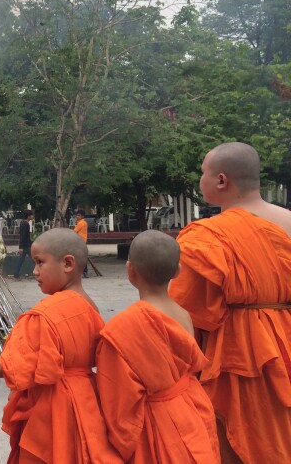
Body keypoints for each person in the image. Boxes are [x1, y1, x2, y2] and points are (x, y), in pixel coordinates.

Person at [0, 228, 120, 464]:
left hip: (52, 407)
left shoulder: (44, 315)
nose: (34, 271)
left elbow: (11, 366)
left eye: (40, 263)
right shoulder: (91, 307)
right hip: (87, 404)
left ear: (68, 264)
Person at [169, 142, 291, 464]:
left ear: (221, 181)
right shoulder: (289, 222)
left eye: (202, 173)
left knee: (235, 440)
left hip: (238, 354)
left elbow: (185, 310)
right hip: (286, 344)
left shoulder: (206, 237)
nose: (200, 179)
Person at [96, 230, 219, 462]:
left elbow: (118, 398)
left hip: (156, 420)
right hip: (191, 408)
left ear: (130, 271)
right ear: (178, 271)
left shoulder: (124, 327)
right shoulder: (184, 314)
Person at [13, 209, 34, 278]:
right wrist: (21, 247)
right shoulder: (25, 224)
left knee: (21, 259)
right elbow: (22, 236)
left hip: (25, 245)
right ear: (28, 216)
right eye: (31, 215)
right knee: (34, 259)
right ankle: (40, 273)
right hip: (26, 246)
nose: (32, 216)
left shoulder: (23, 223)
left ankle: (16, 274)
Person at [73, 210, 89, 277]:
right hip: (82, 241)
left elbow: (74, 231)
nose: (77, 216)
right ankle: (84, 272)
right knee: (82, 257)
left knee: (80, 257)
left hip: (80, 242)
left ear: (82, 216)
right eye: (77, 215)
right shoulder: (82, 222)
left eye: (79, 215)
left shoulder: (81, 223)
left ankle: (83, 272)